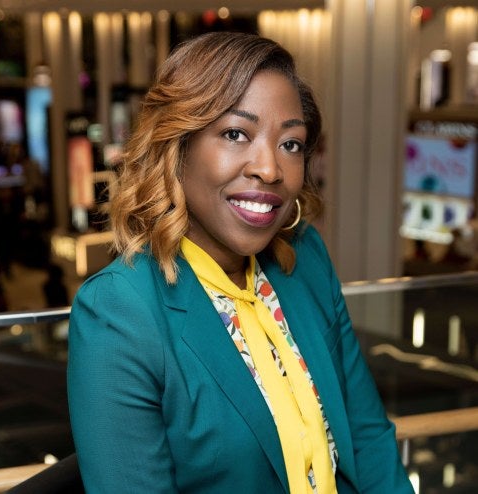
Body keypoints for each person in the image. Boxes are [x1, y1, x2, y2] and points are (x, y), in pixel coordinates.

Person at [67, 32, 414, 493]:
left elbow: (368, 437)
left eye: (291, 143)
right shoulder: (119, 312)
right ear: (178, 146)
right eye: (235, 134)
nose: (270, 168)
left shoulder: (305, 259)